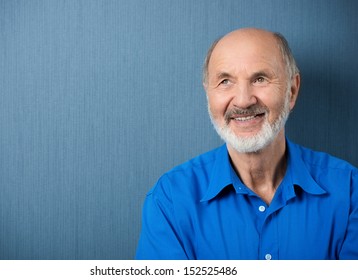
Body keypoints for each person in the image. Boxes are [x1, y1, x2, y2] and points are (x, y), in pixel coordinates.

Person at [135, 28, 358, 260]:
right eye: (225, 81)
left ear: (291, 91)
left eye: (260, 79)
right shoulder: (170, 200)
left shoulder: (350, 191)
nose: (243, 100)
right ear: (208, 94)